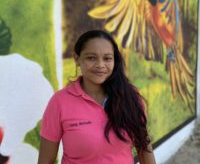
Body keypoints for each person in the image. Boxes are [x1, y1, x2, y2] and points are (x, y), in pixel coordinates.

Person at [38, 30, 156, 164]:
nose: (100, 65)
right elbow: (45, 160)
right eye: (91, 58)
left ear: (114, 60)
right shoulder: (59, 102)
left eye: (107, 58)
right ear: (77, 59)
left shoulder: (130, 97)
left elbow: (144, 148)